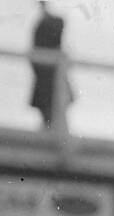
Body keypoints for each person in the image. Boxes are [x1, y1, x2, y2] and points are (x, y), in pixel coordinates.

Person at [29, 0, 66, 129]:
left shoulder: (52, 22)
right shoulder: (41, 23)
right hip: (43, 71)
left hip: (49, 71)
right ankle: (47, 126)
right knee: (46, 102)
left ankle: (50, 127)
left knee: (52, 100)